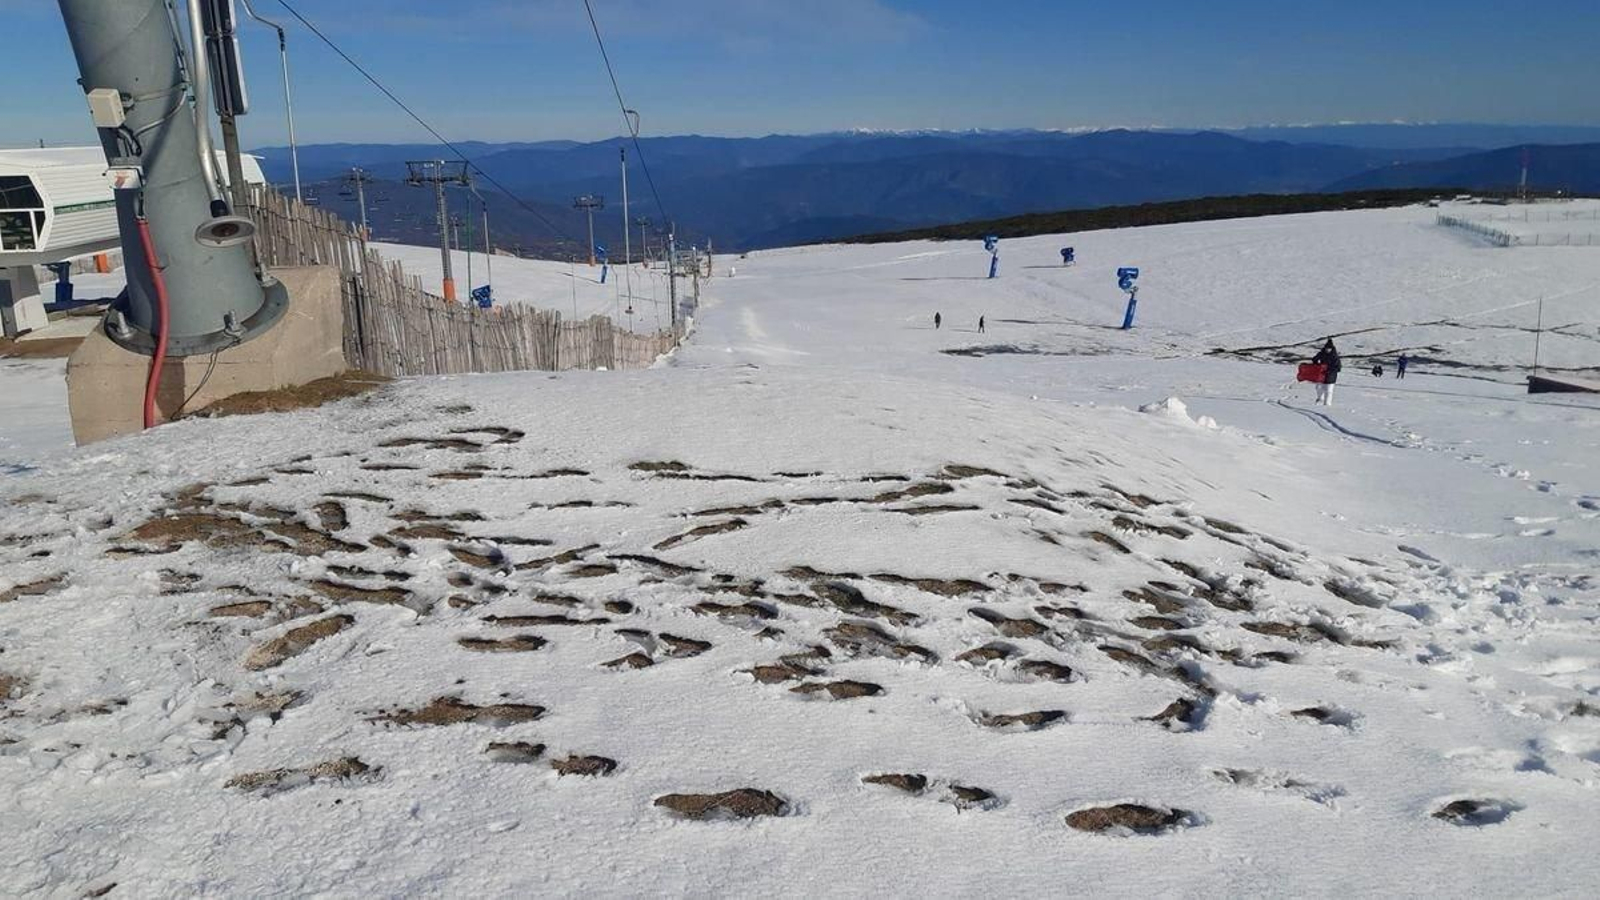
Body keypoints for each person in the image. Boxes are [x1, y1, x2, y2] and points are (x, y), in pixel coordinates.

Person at [1311, 339, 1342, 406]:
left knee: (1328, 391)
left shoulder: (1335, 356)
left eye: (1329, 348)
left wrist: (1330, 370)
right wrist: (1317, 365)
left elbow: (1338, 368)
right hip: (1321, 375)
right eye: (1327, 348)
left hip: (1331, 376)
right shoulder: (1322, 354)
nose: (1328, 350)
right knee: (1318, 387)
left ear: (1332, 348)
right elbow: (1314, 359)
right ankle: (1320, 399)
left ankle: (1327, 404)